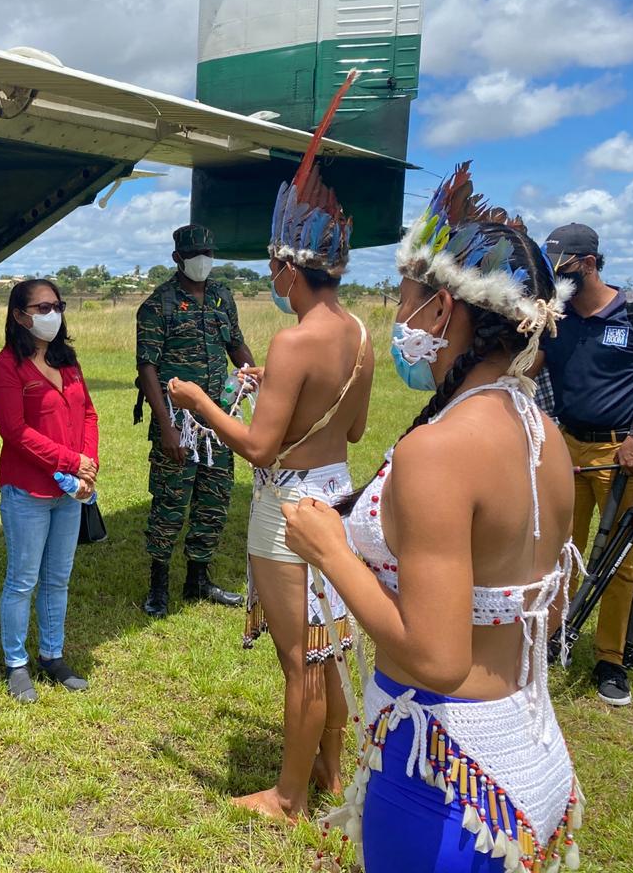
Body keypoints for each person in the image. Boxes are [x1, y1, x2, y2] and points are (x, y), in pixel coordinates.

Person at [283, 163, 584, 872]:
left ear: (444, 311)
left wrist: (332, 551)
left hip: (446, 778)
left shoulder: (439, 450)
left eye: (404, 298)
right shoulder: (543, 435)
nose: (397, 316)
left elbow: (438, 660)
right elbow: (549, 600)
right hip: (526, 752)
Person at [167, 138, 373, 820]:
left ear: (290, 266)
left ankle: (287, 796)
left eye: (273, 268)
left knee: (302, 658)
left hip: (289, 507)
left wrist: (197, 401)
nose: (271, 279)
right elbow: (351, 430)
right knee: (332, 644)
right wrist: (277, 391)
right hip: (338, 496)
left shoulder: (293, 341)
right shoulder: (361, 335)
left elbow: (260, 448)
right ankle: (332, 773)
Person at [539, 223, 633, 706]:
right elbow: (533, 364)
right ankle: (550, 638)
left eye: (563, 268)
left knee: (618, 564)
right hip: (565, 449)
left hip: (621, 453)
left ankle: (610, 659)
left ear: (588, 264)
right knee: (558, 550)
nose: (557, 278)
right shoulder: (557, 315)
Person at [0, 279, 99, 703]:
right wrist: (71, 462)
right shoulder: (5, 367)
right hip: (27, 491)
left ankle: (52, 656)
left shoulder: (66, 361)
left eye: (58, 305)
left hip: (70, 492)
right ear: (19, 315)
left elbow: (88, 413)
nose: (52, 314)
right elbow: (14, 432)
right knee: (22, 579)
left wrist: (88, 465)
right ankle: (16, 663)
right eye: (42, 307)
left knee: (57, 578)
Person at [135, 223, 253, 618]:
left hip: (218, 420)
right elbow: (147, 368)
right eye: (195, 254)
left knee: (213, 501)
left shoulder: (222, 297)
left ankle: (198, 580)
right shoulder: (158, 305)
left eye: (207, 252)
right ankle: (159, 584)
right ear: (177, 258)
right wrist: (166, 426)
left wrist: (254, 377)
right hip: (178, 423)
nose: (203, 260)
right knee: (170, 502)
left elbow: (237, 347)